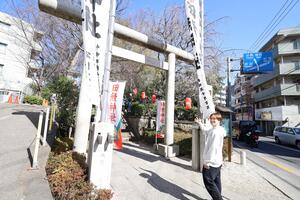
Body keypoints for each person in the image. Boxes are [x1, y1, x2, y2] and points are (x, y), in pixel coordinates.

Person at [197, 112, 226, 200]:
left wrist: (207, 162)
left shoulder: (215, 132)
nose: (212, 120)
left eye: (215, 119)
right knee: (216, 181)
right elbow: (206, 130)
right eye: (211, 118)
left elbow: (213, 148)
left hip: (212, 162)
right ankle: (217, 197)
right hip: (218, 161)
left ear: (219, 120)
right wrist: (200, 123)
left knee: (208, 182)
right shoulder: (218, 129)